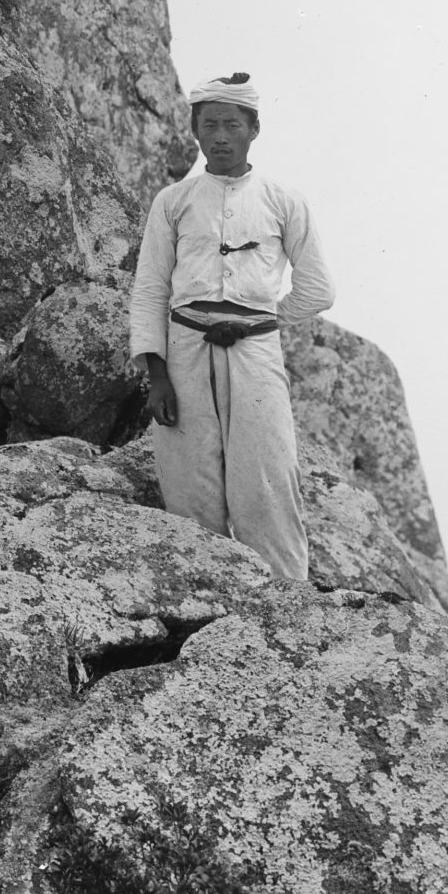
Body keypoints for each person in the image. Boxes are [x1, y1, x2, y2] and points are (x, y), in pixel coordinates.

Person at [128, 73, 335, 582]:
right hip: (184, 351)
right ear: (195, 132)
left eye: (232, 125)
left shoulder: (284, 200)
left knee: (267, 477)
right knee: (189, 480)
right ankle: (204, 604)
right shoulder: (173, 201)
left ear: (254, 129)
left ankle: (288, 602)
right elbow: (151, 288)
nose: (220, 136)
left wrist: (259, 324)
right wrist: (157, 376)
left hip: (255, 355)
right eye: (210, 125)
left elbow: (318, 289)